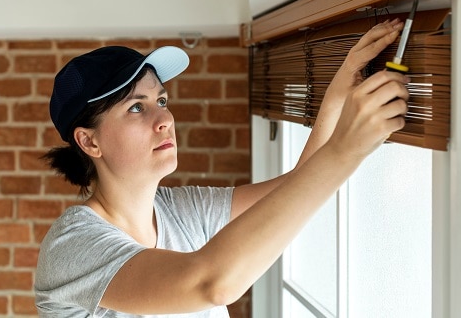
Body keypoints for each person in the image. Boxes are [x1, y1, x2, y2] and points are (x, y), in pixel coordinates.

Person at [34, 19, 408, 317]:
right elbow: (211, 284)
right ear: (89, 142)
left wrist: (337, 92)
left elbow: (298, 189)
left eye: (161, 99)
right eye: (136, 107)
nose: (164, 117)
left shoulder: (180, 210)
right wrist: (346, 148)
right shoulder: (72, 247)